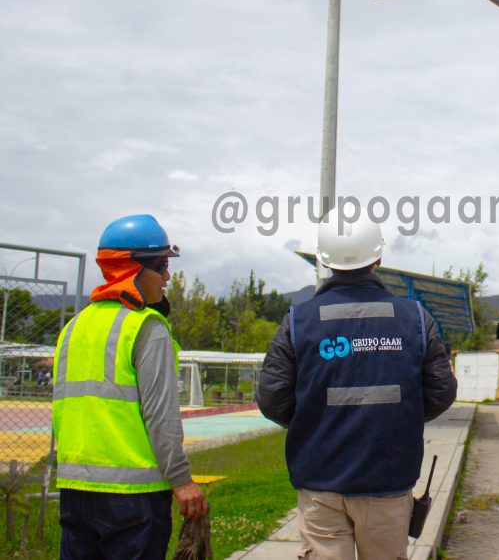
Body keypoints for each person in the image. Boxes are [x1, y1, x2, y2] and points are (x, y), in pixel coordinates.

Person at [257, 213, 458, 560]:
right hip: (388, 480)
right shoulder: (415, 318)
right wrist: (399, 416)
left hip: (320, 481)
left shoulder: (297, 321)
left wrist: (315, 421)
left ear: (324, 261)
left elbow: (272, 399)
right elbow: (441, 391)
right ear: (378, 258)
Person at [52, 214, 208, 559]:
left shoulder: (74, 328)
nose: (167, 276)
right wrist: (182, 481)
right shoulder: (146, 327)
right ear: (133, 268)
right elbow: (161, 415)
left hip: (75, 490)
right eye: (162, 266)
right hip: (133, 497)